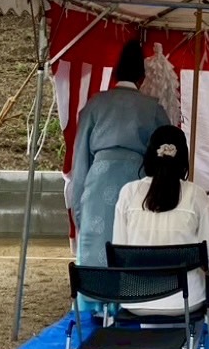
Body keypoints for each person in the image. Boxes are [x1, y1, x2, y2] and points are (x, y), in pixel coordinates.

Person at [111, 126, 209, 349]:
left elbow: (119, 250)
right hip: (186, 301)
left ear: (149, 154)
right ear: (183, 157)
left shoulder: (128, 193)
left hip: (137, 298)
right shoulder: (196, 195)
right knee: (200, 281)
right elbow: (207, 251)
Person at [69, 39, 170, 271]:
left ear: (116, 73)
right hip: (138, 184)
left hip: (98, 182)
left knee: (97, 250)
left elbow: (80, 160)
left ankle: (95, 290)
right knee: (132, 247)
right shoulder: (153, 108)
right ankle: (132, 292)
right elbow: (166, 158)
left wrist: (79, 209)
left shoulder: (95, 104)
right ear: (142, 78)